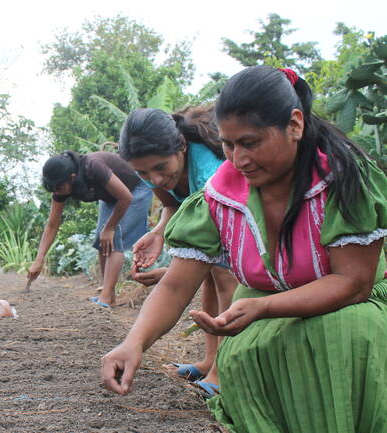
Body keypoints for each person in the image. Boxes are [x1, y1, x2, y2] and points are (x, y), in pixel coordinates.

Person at [101, 65, 387, 432]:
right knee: (243, 353)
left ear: (295, 125)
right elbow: (175, 285)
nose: (239, 160)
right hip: (265, 312)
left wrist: (264, 305)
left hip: (348, 307)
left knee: (348, 331)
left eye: (251, 143)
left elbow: (353, 283)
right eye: (228, 144)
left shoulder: (341, 178)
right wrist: (134, 344)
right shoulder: (221, 195)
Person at [118, 106, 238, 395]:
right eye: (143, 172)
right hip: (210, 218)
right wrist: (158, 232)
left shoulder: (211, 172)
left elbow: (214, 245)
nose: (155, 179)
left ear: (182, 146)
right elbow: (172, 204)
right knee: (210, 272)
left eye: (161, 167)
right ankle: (210, 359)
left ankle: (223, 372)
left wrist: (172, 271)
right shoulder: (152, 172)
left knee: (223, 275)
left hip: (238, 214)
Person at [27, 151, 152, 306]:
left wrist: (110, 227)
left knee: (114, 239)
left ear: (72, 178)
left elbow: (125, 197)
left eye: (58, 188)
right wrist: (39, 259)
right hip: (112, 196)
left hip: (135, 189)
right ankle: (109, 297)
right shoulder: (60, 187)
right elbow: (52, 225)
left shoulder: (93, 166)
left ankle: (105, 298)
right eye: (53, 189)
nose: (56, 192)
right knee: (101, 241)